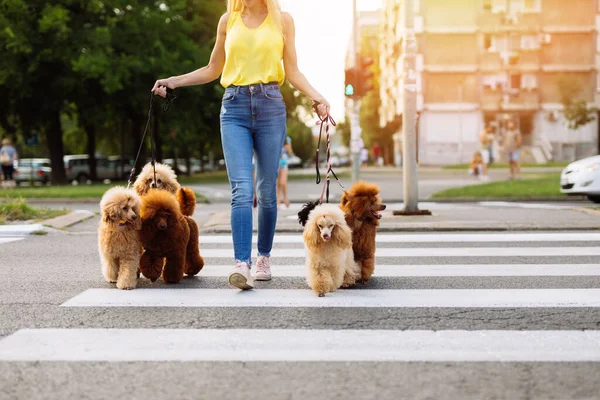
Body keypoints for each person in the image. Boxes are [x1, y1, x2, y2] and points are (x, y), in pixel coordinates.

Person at [151, 0, 330, 290]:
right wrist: (174, 81)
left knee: (267, 190)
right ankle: (241, 264)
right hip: (233, 108)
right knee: (242, 190)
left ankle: (263, 257)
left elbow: (293, 72)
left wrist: (318, 97)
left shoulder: (283, 20)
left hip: (271, 106)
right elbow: (213, 68)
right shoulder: (228, 20)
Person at [277, 136, 292, 209]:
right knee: (277, 183)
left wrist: (286, 145)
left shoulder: (287, 139)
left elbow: (290, 151)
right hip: (276, 163)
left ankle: (285, 198)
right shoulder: (276, 136)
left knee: (282, 182)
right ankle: (278, 200)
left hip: (284, 164)